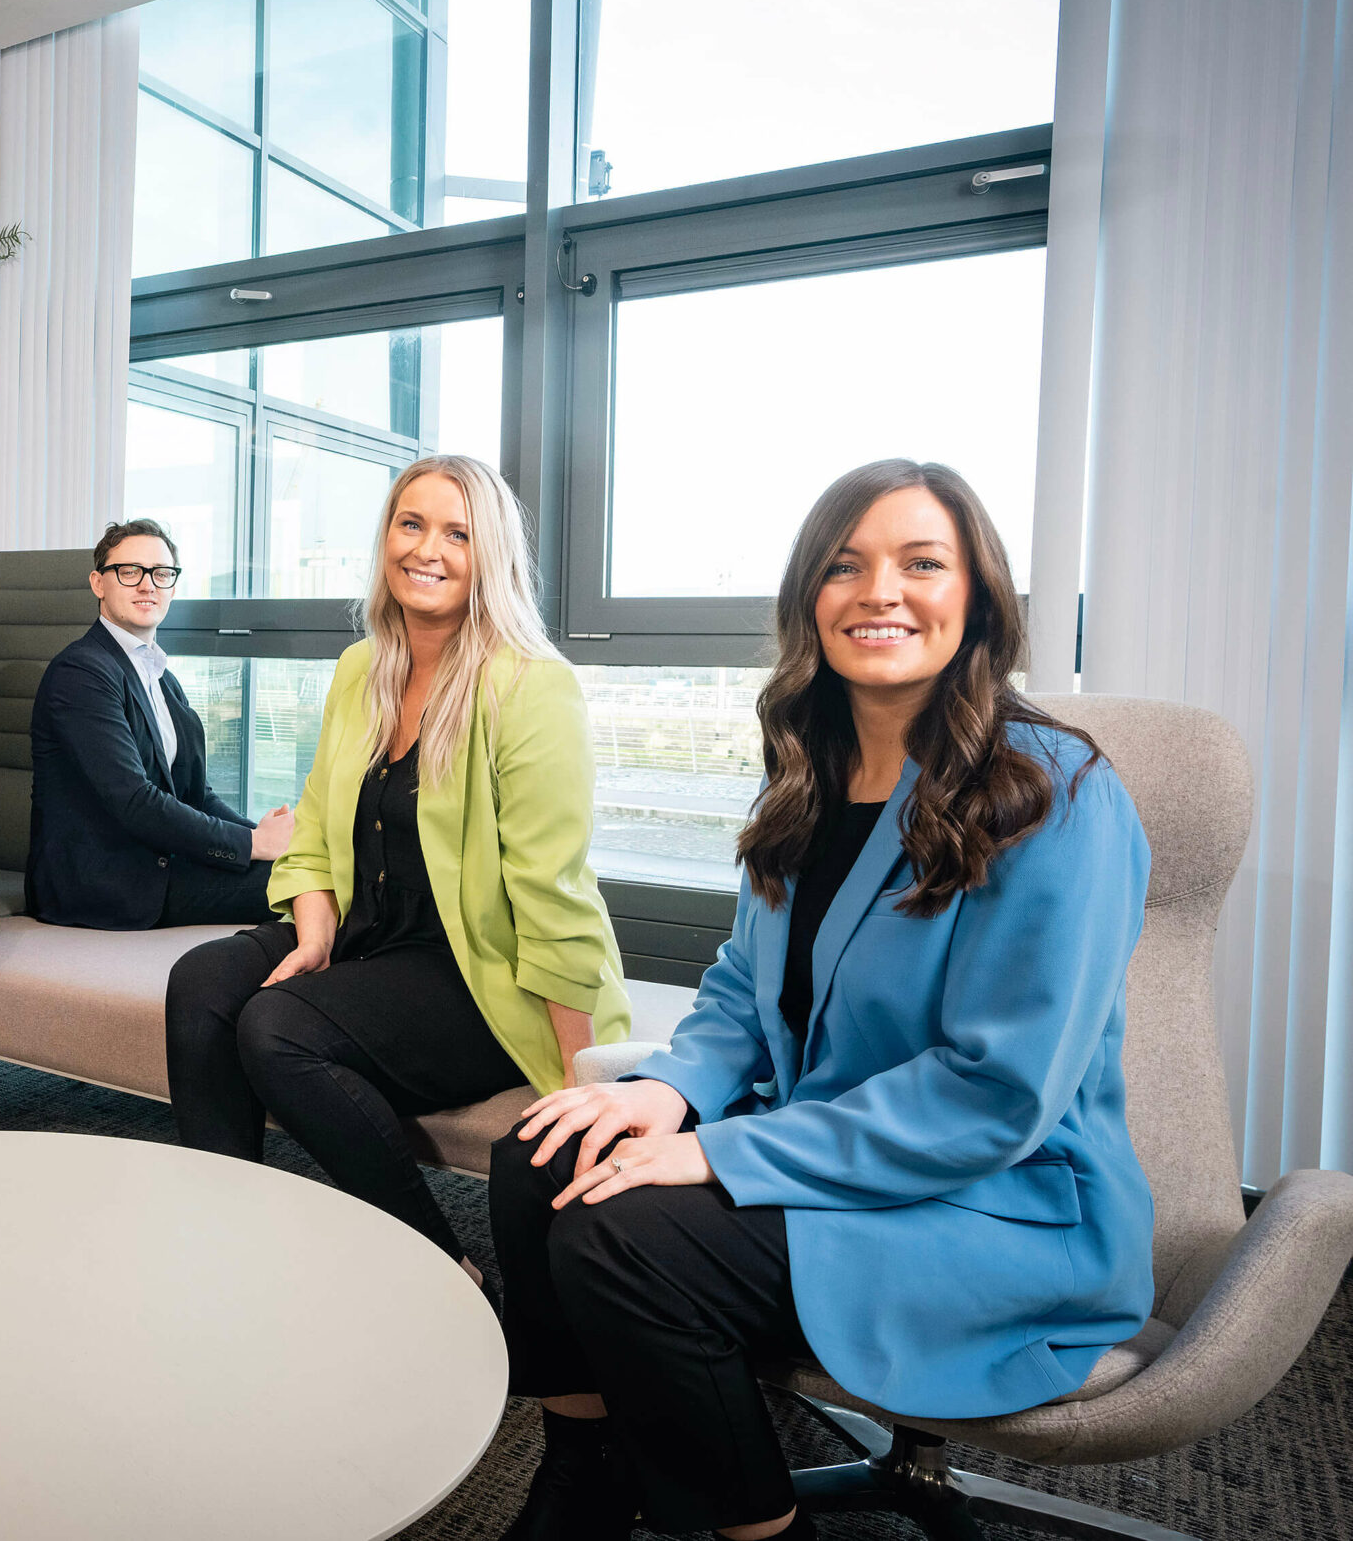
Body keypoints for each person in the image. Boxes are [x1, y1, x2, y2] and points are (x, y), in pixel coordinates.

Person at [487, 459, 1153, 1541]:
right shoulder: (806, 771)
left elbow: (994, 1095)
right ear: (810, 602)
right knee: (538, 1158)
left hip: (995, 1201)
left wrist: (722, 1154)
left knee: (623, 1241)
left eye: (919, 563)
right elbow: (743, 986)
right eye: (844, 567)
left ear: (977, 597)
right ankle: (586, 1470)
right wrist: (676, 1093)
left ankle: (760, 1531)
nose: (878, 591)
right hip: (838, 1158)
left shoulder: (1055, 795)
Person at [164, 454, 631, 1269]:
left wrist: (580, 1072)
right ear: (386, 540)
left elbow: (552, 894)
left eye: (458, 532)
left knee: (276, 1028)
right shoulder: (361, 669)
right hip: (369, 936)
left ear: (491, 555)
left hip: (479, 972)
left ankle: (439, 1269)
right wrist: (312, 937)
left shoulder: (530, 687)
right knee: (202, 981)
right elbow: (313, 831)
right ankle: (222, 1233)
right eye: (411, 524)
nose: (429, 548)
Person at [27, 518, 292, 929]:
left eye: (161, 574)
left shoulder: (160, 676)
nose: (148, 585)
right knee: (304, 886)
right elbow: (135, 802)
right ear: (99, 583)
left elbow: (197, 796)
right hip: (107, 882)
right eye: (130, 572)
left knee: (304, 869)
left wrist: (270, 838)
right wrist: (254, 843)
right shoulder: (80, 672)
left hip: (159, 865)